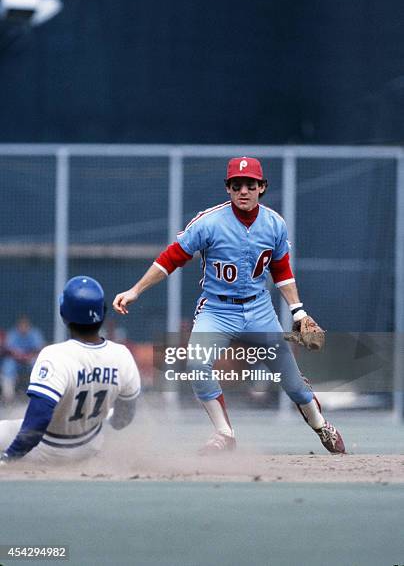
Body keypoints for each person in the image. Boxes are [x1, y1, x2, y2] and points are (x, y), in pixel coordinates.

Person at [113, 157, 345, 455]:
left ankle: (322, 426)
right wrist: (135, 290)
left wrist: (298, 310)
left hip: (259, 309)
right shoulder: (209, 222)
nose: (244, 191)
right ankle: (224, 434)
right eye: (237, 185)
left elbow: (282, 270)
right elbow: (171, 258)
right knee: (197, 364)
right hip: (217, 310)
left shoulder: (274, 223)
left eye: (251, 185)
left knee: (293, 384)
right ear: (228, 188)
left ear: (262, 187)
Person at [0, 276, 141, 465]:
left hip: (47, 449)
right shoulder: (122, 355)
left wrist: (9, 458)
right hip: (91, 446)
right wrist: (100, 416)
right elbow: (122, 420)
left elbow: (37, 422)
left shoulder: (55, 355)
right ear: (103, 312)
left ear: (64, 315)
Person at [1, 315, 45, 405]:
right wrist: (18, 355)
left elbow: (40, 348)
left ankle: (39, 395)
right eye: (21, 326)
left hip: (30, 359)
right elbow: (8, 349)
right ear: (18, 326)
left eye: (25, 326)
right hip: (16, 360)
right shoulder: (13, 333)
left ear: (28, 326)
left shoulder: (34, 333)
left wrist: (29, 356)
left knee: (38, 364)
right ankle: (8, 397)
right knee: (8, 365)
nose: (23, 328)